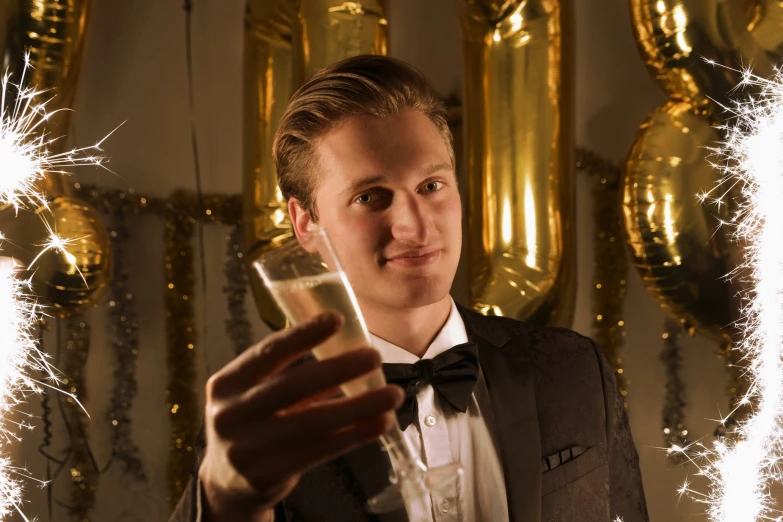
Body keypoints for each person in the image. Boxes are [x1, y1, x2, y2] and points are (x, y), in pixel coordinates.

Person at [170, 55, 648, 522]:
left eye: (431, 186)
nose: (414, 227)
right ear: (305, 223)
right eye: (369, 197)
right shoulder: (264, 425)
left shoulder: (576, 368)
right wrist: (225, 506)